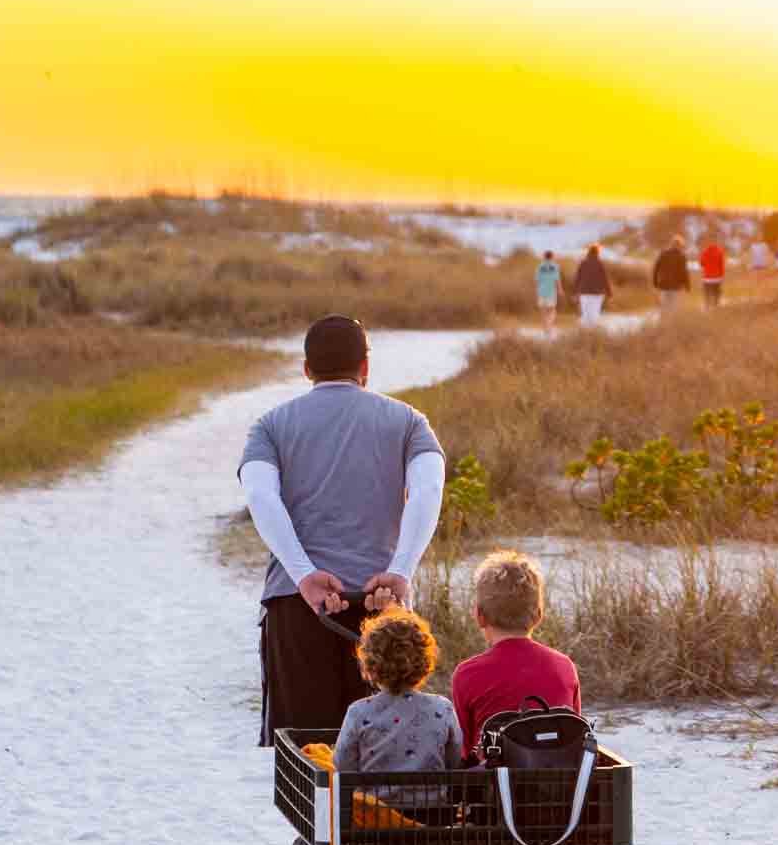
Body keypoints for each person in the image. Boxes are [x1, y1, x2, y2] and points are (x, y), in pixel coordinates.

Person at [239, 313, 446, 745]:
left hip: (298, 607)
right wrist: (401, 571)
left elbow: (260, 497)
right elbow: (427, 490)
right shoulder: (409, 422)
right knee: (386, 756)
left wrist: (303, 575)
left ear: (307, 369)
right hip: (381, 607)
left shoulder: (270, 426)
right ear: (365, 368)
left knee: (306, 762)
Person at [450, 550, 581, 762]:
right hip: (559, 789)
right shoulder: (564, 667)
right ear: (538, 616)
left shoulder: (467, 674)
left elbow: (464, 750)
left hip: (493, 791)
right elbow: (573, 734)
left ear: (479, 617)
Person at [332, 607, 462, 778]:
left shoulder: (358, 712)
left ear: (370, 667)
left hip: (372, 803)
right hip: (432, 803)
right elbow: (454, 759)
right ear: (425, 663)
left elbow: (343, 764)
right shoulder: (443, 708)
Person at [572, 243, 612, 327]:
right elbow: (605, 280)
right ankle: (593, 334)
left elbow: (577, 278)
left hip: (584, 292)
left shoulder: (583, 263)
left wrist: (575, 292)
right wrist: (609, 293)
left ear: (588, 252)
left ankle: (585, 334)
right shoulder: (600, 264)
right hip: (597, 293)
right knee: (595, 314)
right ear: (597, 253)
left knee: (585, 314)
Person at [652, 232, 691, 311]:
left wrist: (655, 283)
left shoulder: (663, 253)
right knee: (673, 309)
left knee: (664, 308)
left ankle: (663, 322)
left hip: (663, 285)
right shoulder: (682, 256)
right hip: (675, 287)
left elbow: (656, 268)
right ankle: (671, 322)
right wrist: (687, 286)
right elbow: (684, 273)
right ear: (680, 245)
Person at [535, 249, 564, 336]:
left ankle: (545, 329)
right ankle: (549, 327)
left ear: (544, 256)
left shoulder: (540, 266)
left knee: (543, 312)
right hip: (551, 292)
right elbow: (557, 280)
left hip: (541, 291)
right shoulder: (555, 266)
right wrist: (560, 289)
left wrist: (536, 291)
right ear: (552, 257)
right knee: (552, 311)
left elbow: (537, 280)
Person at [699, 235, 726, 308]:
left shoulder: (705, 252)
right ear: (716, 242)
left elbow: (701, 263)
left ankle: (707, 309)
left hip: (707, 278)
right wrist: (722, 276)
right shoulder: (719, 251)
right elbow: (722, 265)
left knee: (707, 297)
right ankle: (716, 309)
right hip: (717, 278)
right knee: (716, 297)